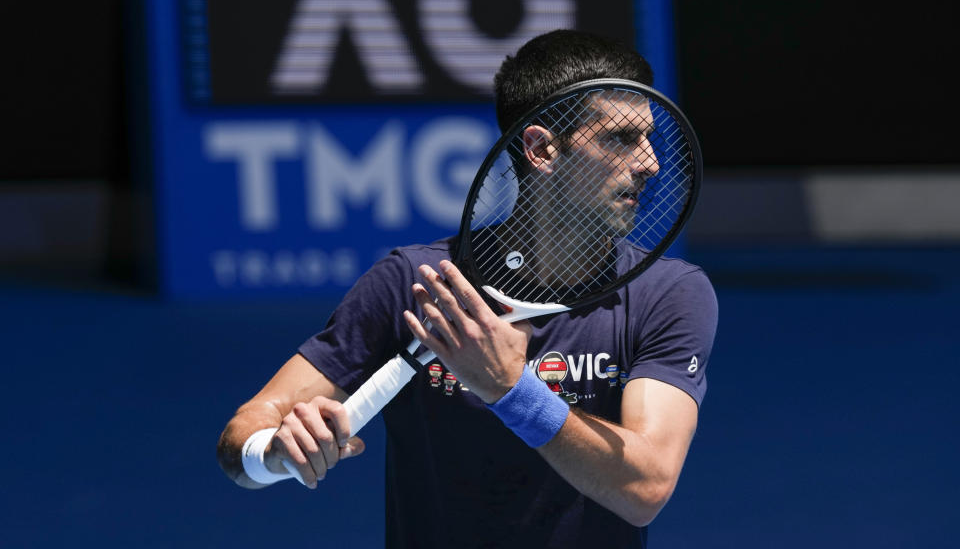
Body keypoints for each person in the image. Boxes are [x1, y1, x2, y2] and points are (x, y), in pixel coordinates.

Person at [217, 29, 718, 548]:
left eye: (648, 138)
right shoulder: (413, 285)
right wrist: (273, 451)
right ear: (543, 149)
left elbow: (646, 488)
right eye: (620, 139)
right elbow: (240, 445)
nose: (649, 162)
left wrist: (511, 389)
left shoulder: (667, 294)